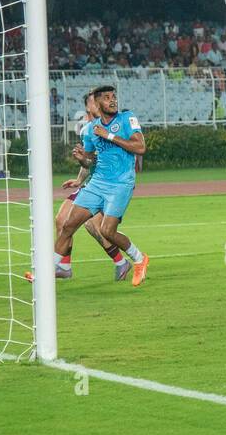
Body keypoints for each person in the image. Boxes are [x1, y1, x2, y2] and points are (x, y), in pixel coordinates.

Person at [25, 91, 129, 283]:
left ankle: (122, 261)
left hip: (107, 185)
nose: (98, 104)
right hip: (92, 184)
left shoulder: (106, 128)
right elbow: (89, 161)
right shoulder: (87, 130)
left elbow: (105, 158)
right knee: (62, 221)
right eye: (94, 102)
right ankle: (64, 266)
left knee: (95, 227)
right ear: (90, 107)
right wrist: (79, 179)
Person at [51, 86, 150, 286]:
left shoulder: (126, 118)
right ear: (96, 104)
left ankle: (139, 259)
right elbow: (89, 162)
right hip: (96, 184)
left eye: (114, 97)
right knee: (67, 225)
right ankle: (50, 271)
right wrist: (81, 160)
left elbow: (140, 147)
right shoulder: (90, 130)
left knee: (107, 231)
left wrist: (109, 136)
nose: (113, 101)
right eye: (107, 98)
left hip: (121, 184)